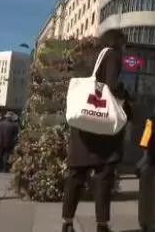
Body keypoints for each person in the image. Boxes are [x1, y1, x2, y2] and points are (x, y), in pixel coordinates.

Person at [61, 29, 132, 232]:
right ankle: (102, 225)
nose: (125, 50)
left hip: (82, 126)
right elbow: (112, 85)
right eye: (125, 45)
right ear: (118, 42)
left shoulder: (87, 55)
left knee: (75, 176)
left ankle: (67, 223)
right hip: (102, 129)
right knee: (103, 177)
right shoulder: (112, 54)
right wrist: (127, 96)